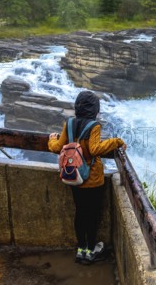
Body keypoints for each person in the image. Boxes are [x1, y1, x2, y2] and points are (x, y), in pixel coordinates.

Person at [48, 90, 126, 264]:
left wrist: (51, 139)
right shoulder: (94, 126)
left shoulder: (69, 124)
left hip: (73, 176)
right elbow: (95, 149)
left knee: (80, 213)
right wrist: (116, 141)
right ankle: (91, 251)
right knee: (92, 215)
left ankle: (80, 249)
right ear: (95, 110)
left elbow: (57, 147)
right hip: (92, 179)